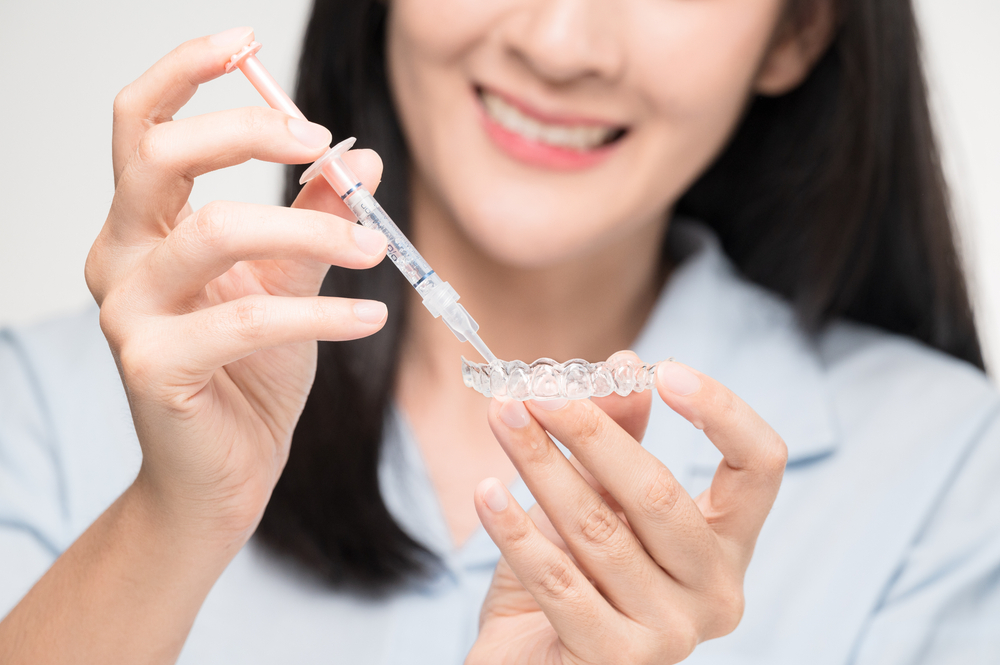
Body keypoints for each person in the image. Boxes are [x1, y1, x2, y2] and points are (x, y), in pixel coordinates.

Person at [2, 0, 998, 662]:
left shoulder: (941, 468)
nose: (558, 42)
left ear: (798, 31)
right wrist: (177, 513)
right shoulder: (48, 405)